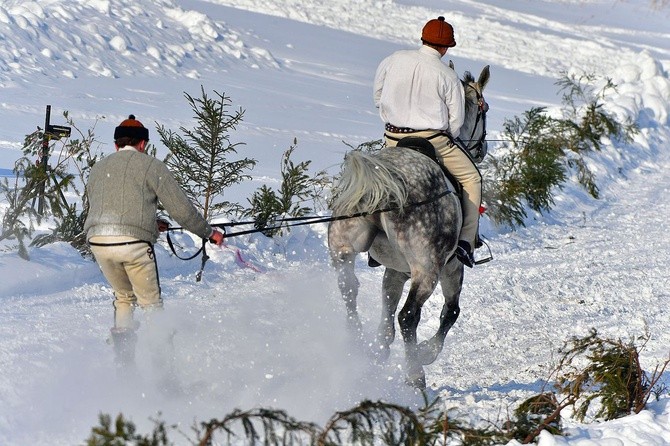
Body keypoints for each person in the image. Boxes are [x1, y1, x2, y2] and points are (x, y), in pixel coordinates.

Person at [84, 115, 224, 366]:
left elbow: (107, 205)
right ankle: (165, 375)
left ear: (117, 144)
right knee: (151, 305)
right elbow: (181, 210)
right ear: (142, 144)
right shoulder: (151, 166)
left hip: (99, 242)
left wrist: (150, 221)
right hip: (134, 246)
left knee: (124, 298)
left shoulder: (99, 168)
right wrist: (208, 233)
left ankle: (125, 368)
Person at [373, 16, 482, 268]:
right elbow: (455, 124)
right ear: (445, 48)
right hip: (434, 142)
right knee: (472, 179)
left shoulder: (392, 60)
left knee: (376, 180)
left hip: (392, 139)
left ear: (422, 39)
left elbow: (378, 98)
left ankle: (375, 239)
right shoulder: (447, 75)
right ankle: (466, 242)